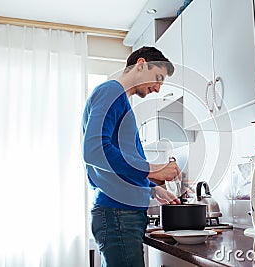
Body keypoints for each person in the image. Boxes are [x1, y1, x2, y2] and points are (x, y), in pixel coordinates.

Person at [82, 46, 182, 267]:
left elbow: (118, 164)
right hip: (118, 214)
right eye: (158, 78)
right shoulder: (111, 92)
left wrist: (150, 187)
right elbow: (94, 150)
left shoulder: (119, 99)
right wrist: (153, 169)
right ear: (141, 64)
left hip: (121, 214)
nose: (157, 88)